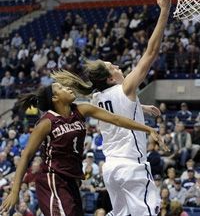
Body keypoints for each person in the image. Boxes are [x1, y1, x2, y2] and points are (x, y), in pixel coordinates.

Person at [52, 0, 171, 215]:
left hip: (111, 170)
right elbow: (151, 52)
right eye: (112, 66)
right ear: (109, 78)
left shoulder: (97, 97)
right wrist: (165, 11)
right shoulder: (125, 88)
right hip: (131, 166)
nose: (116, 66)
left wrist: (141, 107)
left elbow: (117, 111)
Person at [0, 78, 162, 216]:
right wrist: (15, 191)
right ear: (55, 98)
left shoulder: (81, 109)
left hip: (72, 180)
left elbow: (116, 119)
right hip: (52, 180)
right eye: (61, 88)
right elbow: (26, 155)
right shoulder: (46, 123)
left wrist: (147, 128)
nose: (68, 88)